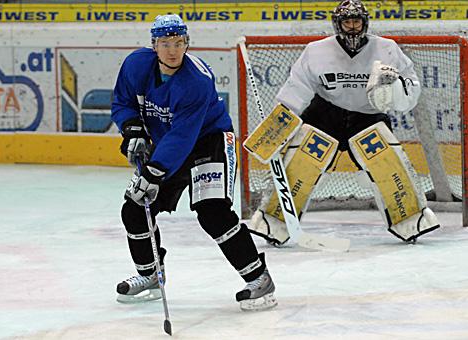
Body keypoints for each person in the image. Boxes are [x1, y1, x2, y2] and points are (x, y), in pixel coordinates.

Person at [110, 14, 277, 311]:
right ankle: (150, 274)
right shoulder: (136, 65)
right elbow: (122, 102)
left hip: (209, 141)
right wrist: (131, 128)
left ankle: (258, 277)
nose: (172, 50)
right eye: (165, 43)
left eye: (178, 43)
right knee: (135, 209)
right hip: (168, 145)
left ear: (187, 43)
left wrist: (154, 172)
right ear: (154, 45)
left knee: (212, 212)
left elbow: (183, 136)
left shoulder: (196, 80)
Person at [249, 0, 440, 245]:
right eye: (347, 22)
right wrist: (276, 132)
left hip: (368, 116)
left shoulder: (387, 49)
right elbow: (295, 91)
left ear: (365, 22)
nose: (352, 27)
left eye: (356, 21)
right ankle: (272, 220)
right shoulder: (316, 50)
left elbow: (411, 89)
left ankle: (412, 218)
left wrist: (397, 87)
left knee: (387, 159)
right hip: (325, 114)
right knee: (301, 160)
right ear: (337, 24)